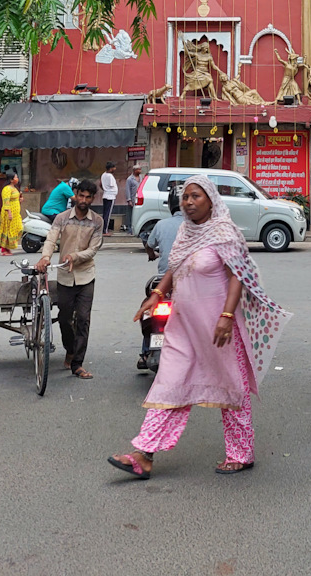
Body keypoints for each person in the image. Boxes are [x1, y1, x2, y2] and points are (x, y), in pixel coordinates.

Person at [107, 175, 291, 480]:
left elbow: (238, 276)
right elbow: (174, 267)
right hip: (183, 327)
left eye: (196, 196)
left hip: (219, 328)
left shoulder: (224, 232)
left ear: (211, 199)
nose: (189, 202)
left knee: (232, 388)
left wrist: (227, 317)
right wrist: (155, 296)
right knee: (169, 383)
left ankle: (241, 454)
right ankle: (143, 454)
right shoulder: (184, 232)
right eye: (185, 197)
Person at [36, 178, 104, 380]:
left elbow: (93, 249)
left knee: (83, 319)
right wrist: (45, 257)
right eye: (80, 195)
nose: (83, 200)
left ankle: (77, 364)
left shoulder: (97, 222)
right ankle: (70, 348)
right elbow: (51, 239)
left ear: (92, 199)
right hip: (65, 277)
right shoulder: (62, 218)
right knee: (65, 318)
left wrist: (74, 257)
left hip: (86, 276)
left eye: (87, 197)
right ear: (76, 195)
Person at [143, 187, 183, 276]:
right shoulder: (198, 226)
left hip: (163, 277)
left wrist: (152, 255)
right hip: (190, 279)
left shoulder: (161, 224)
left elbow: (149, 247)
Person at [0, 170, 22, 255]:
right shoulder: (7, 189)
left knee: (19, 228)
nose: (17, 179)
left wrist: (20, 200)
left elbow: (15, 199)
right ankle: (4, 250)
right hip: (8, 213)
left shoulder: (14, 188)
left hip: (16, 213)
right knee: (7, 230)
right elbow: (6, 201)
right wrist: (9, 213)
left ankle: (8, 247)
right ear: (11, 180)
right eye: (15, 177)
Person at [124, 166, 143, 235]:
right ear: (134, 171)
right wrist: (129, 200)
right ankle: (129, 229)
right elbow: (127, 190)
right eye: (138, 170)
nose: (140, 171)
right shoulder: (130, 179)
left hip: (139, 199)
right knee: (130, 215)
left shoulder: (141, 178)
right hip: (132, 199)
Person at [100, 162, 118, 233]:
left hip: (105, 195)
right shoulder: (110, 176)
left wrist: (105, 189)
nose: (115, 169)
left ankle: (103, 228)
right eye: (114, 168)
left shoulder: (103, 175)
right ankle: (105, 230)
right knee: (108, 214)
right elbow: (112, 185)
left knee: (105, 213)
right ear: (110, 169)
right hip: (110, 196)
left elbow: (100, 184)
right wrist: (108, 190)